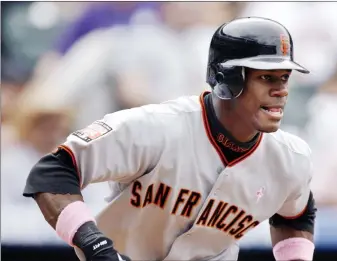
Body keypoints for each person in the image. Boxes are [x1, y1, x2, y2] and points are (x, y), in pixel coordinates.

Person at [23, 17, 317, 261]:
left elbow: (296, 214)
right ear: (227, 79)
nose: (282, 90)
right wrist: (94, 244)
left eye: (284, 77)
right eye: (267, 77)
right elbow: (52, 173)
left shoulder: (291, 158)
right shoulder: (155, 128)